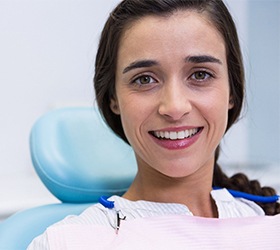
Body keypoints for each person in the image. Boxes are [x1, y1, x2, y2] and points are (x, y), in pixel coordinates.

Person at [28, 0, 280, 248]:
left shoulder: (269, 222)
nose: (174, 107)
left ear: (232, 92)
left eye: (200, 74)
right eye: (144, 79)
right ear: (113, 99)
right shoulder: (70, 242)